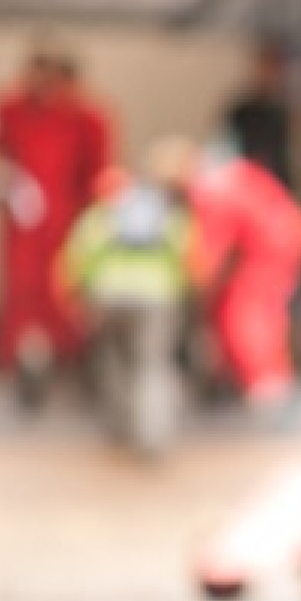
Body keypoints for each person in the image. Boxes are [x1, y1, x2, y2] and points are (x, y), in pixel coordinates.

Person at [0, 41, 112, 399]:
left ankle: (65, 358)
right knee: (22, 292)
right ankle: (21, 360)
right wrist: (11, 187)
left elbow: (97, 172)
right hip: (24, 228)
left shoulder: (84, 116)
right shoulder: (11, 110)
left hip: (66, 226)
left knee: (63, 295)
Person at [57, 151, 197, 451]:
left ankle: (121, 428)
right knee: (151, 365)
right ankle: (152, 435)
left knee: (113, 363)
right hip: (156, 297)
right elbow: (189, 259)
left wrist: (77, 299)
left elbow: (74, 262)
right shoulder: (164, 213)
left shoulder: (97, 217)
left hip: (108, 297)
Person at [168, 138, 301, 410]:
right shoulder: (228, 173)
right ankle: (266, 382)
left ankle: (267, 386)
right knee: (257, 310)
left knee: (245, 314)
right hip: (281, 236)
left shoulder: (209, 191)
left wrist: (194, 283)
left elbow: (210, 252)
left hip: (269, 247)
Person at [223, 43, 297, 194]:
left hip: (276, 187)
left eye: (275, 69)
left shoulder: (284, 111)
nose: (271, 75)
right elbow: (226, 149)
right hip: (248, 185)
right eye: (266, 67)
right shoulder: (242, 112)